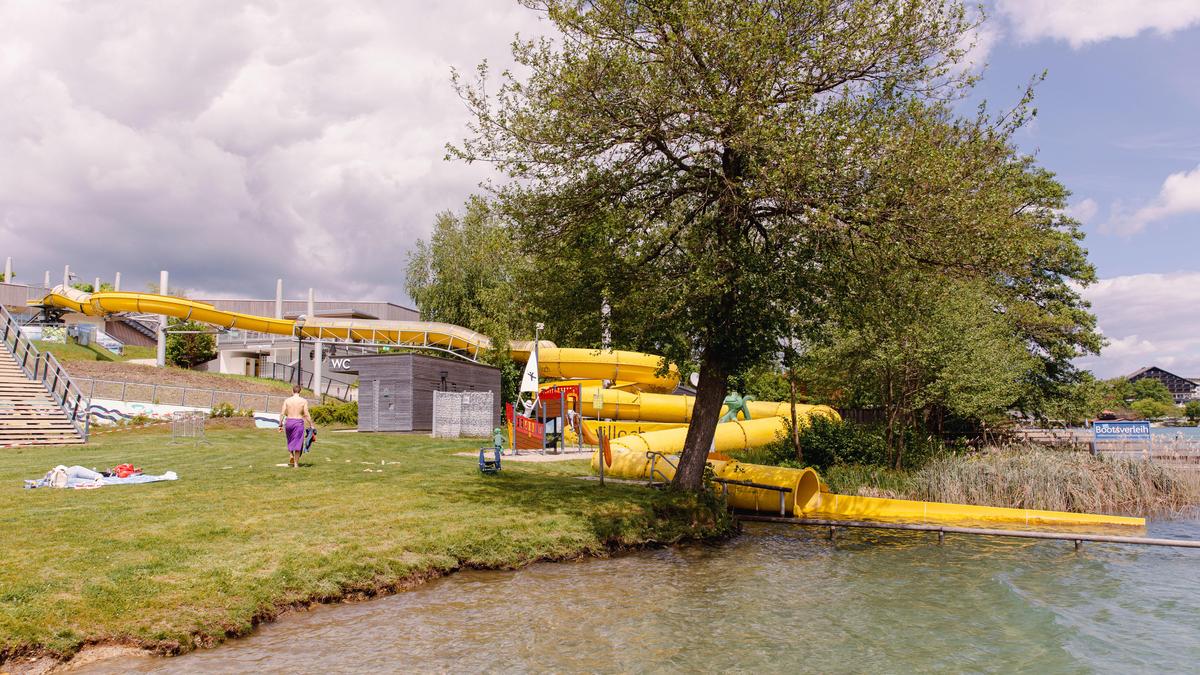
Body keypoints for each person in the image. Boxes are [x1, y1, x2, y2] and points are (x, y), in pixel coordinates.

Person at [278, 384, 313, 468]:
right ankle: (296, 464)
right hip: (298, 423)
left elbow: (282, 413)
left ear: (292, 391)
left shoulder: (287, 400)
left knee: (290, 440)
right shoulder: (303, 401)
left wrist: (280, 424)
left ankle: (291, 454)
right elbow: (306, 413)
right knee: (298, 443)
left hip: (289, 422)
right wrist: (311, 424)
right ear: (300, 391)